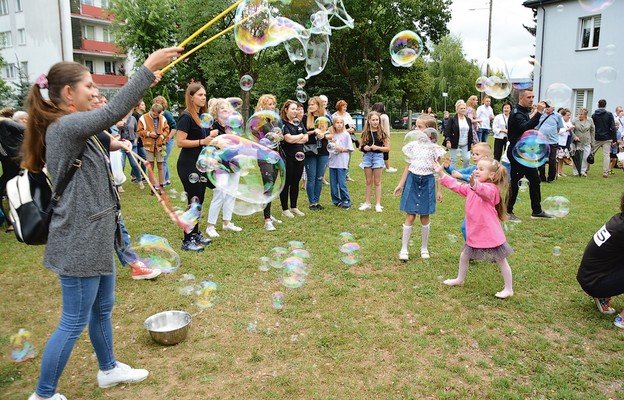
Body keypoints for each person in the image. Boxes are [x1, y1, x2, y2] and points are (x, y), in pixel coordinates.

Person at [21, 46, 181, 400]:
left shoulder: (76, 127)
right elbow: (112, 111)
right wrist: (146, 68)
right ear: (68, 93)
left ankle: (108, 369)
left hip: (97, 235)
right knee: (74, 320)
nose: (96, 92)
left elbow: (108, 122)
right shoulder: (64, 126)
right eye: (90, 86)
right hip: (79, 239)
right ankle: (43, 395)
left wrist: (148, 79)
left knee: (102, 309)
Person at [90, 92, 161, 280]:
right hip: (91, 191)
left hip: (105, 187)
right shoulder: (84, 126)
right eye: (100, 102)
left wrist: (122, 144)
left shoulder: (97, 128)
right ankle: (131, 263)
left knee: (116, 223)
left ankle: (133, 263)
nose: (104, 106)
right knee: (111, 226)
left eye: (105, 102)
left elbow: (108, 142)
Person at [435, 158, 514, 299]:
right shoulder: (472, 187)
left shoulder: (492, 189)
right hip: (475, 231)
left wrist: (474, 184)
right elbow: (457, 186)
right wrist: (441, 174)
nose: (476, 171)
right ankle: (460, 279)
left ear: (492, 175)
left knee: (501, 260)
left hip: (489, 232)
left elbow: (483, 191)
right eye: (477, 168)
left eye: (481, 169)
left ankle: (508, 288)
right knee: (464, 255)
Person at [394, 120, 446, 260]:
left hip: (428, 181)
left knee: (425, 215)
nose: (416, 129)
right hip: (412, 180)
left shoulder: (435, 149)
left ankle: (424, 247)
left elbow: (438, 171)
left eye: (420, 127)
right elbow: (407, 166)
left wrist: (439, 190)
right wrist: (400, 184)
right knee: (410, 214)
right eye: (416, 126)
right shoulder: (413, 146)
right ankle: (404, 249)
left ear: (430, 130)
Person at [176, 82, 214, 251]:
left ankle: (196, 233)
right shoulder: (186, 116)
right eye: (200, 95)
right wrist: (202, 141)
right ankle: (187, 240)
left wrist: (211, 136)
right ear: (191, 97)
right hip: (188, 163)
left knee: (200, 199)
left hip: (201, 163)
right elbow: (180, 142)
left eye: (204, 95)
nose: (203, 98)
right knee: (194, 201)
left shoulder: (202, 116)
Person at [577, 193, 624, 328]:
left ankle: (603, 295)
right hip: (595, 281)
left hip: (590, 277)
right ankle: (622, 319)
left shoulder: (619, 218)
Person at [506, 89, 551, 222]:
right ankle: (507, 211)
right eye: (529, 97)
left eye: (533, 97)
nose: (532, 99)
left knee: (535, 180)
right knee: (516, 181)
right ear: (521, 98)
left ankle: (536, 211)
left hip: (526, 152)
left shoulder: (523, 111)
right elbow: (525, 127)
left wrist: (534, 113)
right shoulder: (516, 113)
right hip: (517, 152)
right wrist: (539, 112)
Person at [205, 98, 243, 237]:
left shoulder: (233, 126)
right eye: (222, 108)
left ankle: (227, 222)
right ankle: (211, 226)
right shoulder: (212, 127)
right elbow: (210, 144)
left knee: (232, 192)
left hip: (234, 161)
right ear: (215, 111)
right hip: (219, 163)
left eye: (227, 107)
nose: (225, 110)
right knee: (219, 193)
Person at [254, 94, 282, 230]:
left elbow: (276, 135)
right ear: (263, 105)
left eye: (273, 104)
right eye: (269, 104)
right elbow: (254, 139)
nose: (272, 107)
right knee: (268, 185)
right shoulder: (257, 121)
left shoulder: (273, 121)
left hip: (275, 154)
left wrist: (278, 136)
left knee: (273, 183)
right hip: (264, 156)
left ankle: (269, 213)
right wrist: (269, 138)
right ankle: (267, 220)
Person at [280, 100, 308, 218]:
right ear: (286, 110)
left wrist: (296, 138)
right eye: (292, 109)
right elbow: (288, 139)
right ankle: (285, 209)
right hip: (288, 157)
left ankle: (294, 207)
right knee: (287, 183)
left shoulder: (299, 122)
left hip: (300, 156)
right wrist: (299, 137)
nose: (295, 111)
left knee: (295, 182)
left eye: (296, 109)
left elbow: (306, 138)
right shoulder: (283, 123)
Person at [358, 111, 389, 212]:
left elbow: (387, 148)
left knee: (377, 181)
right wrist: (364, 147)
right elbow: (360, 147)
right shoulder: (365, 133)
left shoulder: (382, 133)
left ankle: (378, 204)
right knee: (368, 181)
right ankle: (367, 202)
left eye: (377, 120)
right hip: (367, 157)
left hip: (378, 157)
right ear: (369, 121)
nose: (375, 122)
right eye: (373, 120)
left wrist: (377, 147)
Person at [303, 96, 329, 211]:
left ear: (318, 105)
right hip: (310, 151)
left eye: (313, 104)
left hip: (323, 151)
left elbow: (332, 133)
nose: (310, 106)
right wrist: (313, 132)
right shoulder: (305, 118)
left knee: (319, 177)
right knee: (311, 177)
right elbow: (303, 134)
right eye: (309, 104)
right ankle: (312, 202)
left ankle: (317, 201)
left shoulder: (325, 118)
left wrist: (324, 135)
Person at [138, 103, 170, 190]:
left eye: (157, 115)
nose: (155, 116)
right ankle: (152, 187)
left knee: (160, 165)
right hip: (149, 145)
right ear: (151, 110)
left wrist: (162, 136)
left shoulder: (163, 118)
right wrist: (149, 133)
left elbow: (167, 129)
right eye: (154, 115)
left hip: (159, 145)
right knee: (150, 166)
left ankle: (161, 185)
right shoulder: (143, 118)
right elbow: (139, 131)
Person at [327, 114, 353, 208]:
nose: (339, 125)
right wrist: (332, 145)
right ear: (333, 124)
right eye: (337, 123)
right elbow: (328, 147)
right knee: (333, 184)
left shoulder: (346, 135)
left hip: (342, 162)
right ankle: (336, 200)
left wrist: (341, 149)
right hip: (333, 162)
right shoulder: (331, 135)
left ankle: (346, 200)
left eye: (341, 123)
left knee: (342, 183)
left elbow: (350, 148)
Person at [444, 99, 477, 169]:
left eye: (464, 108)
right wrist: (448, 141)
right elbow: (447, 131)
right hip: (454, 142)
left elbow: (470, 132)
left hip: (465, 143)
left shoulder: (468, 120)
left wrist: (471, 143)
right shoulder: (452, 119)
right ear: (457, 109)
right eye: (461, 108)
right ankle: (453, 174)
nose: (463, 110)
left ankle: (464, 172)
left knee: (467, 159)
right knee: (454, 159)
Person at [152, 95, 177, 186]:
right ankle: (167, 179)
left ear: (162, 104)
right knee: (163, 160)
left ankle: (164, 181)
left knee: (163, 160)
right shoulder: (156, 115)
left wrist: (167, 138)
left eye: (157, 103)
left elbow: (174, 128)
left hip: (168, 141)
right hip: (161, 141)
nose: (155, 105)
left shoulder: (166, 114)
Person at [536, 101, 563, 183]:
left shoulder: (557, 116)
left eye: (549, 106)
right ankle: (542, 177)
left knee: (552, 160)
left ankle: (551, 178)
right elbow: (536, 126)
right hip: (541, 141)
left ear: (553, 107)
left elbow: (559, 128)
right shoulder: (540, 115)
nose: (547, 107)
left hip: (553, 141)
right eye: (546, 106)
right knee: (541, 159)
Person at [591, 99, 617, 178]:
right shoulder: (609, 114)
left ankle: (585, 169)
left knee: (591, 153)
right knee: (606, 155)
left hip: (596, 137)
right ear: (605, 105)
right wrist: (614, 138)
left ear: (598, 105)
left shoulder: (594, 115)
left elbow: (592, 126)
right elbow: (612, 127)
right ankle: (605, 172)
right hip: (607, 137)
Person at [332, 100, 356, 182]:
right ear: (339, 107)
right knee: (337, 155)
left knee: (347, 156)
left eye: (346, 107)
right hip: (337, 138)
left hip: (347, 137)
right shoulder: (334, 116)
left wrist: (351, 129)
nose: (345, 108)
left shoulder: (347, 115)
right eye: (344, 107)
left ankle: (346, 174)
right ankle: (337, 174)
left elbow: (353, 126)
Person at [371, 102, 396, 172]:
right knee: (385, 152)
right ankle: (388, 167)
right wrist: (386, 138)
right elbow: (385, 128)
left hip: (377, 136)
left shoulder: (375, 116)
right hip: (383, 136)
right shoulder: (384, 116)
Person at [571, 108, 595, 177]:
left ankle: (583, 171)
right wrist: (574, 137)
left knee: (586, 156)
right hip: (577, 141)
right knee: (577, 156)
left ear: (585, 115)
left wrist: (593, 142)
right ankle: (575, 171)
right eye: (579, 114)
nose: (580, 115)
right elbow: (571, 130)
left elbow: (592, 131)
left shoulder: (590, 120)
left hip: (587, 140)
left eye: (581, 114)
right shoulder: (575, 120)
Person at [556, 108, 574, 177]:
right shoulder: (560, 122)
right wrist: (567, 129)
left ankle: (560, 171)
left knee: (562, 157)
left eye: (569, 115)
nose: (569, 117)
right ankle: (556, 172)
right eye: (567, 115)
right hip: (560, 142)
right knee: (558, 157)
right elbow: (559, 131)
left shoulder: (569, 122)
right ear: (563, 115)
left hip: (566, 141)